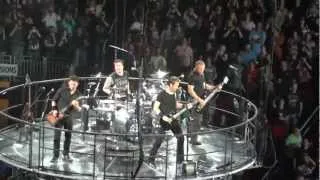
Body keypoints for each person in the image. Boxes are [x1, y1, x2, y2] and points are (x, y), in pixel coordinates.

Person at [148, 76, 191, 167]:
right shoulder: (161, 95)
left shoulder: (175, 93)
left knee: (181, 138)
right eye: (176, 85)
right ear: (170, 85)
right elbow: (155, 108)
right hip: (164, 121)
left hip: (173, 119)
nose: (178, 87)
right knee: (159, 141)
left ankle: (180, 161)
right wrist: (163, 116)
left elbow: (175, 105)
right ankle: (151, 160)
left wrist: (185, 106)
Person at [50, 75, 82, 163]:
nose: (73, 85)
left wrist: (76, 106)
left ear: (77, 84)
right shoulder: (62, 90)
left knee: (68, 137)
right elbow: (53, 100)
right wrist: (54, 110)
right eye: (71, 83)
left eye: (74, 84)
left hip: (68, 117)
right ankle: (55, 156)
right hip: (58, 116)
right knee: (57, 137)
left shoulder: (79, 95)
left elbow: (80, 109)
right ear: (69, 83)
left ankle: (66, 155)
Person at [187, 60, 219, 145]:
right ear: (196, 67)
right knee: (196, 120)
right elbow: (190, 90)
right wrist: (198, 99)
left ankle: (192, 136)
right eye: (200, 68)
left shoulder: (202, 75)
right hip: (195, 101)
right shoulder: (192, 76)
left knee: (197, 119)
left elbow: (204, 85)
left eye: (203, 68)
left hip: (201, 101)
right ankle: (193, 139)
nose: (202, 70)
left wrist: (214, 87)